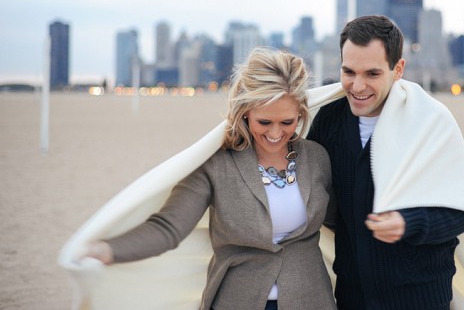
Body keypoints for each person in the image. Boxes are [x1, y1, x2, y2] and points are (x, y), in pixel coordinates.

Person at [84, 47, 337, 310]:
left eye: (287, 122)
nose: (276, 133)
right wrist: (109, 250)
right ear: (245, 111)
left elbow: (342, 223)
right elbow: (168, 228)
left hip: (311, 300)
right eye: (264, 122)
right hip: (236, 300)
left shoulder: (316, 158)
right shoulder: (216, 163)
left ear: (300, 113)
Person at [307, 15, 464, 310]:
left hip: (421, 297)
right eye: (349, 72)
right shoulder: (330, 119)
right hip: (352, 297)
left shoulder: (431, 121)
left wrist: (408, 223)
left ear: (398, 69)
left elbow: (461, 214)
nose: (357, 86)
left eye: (372, 74)